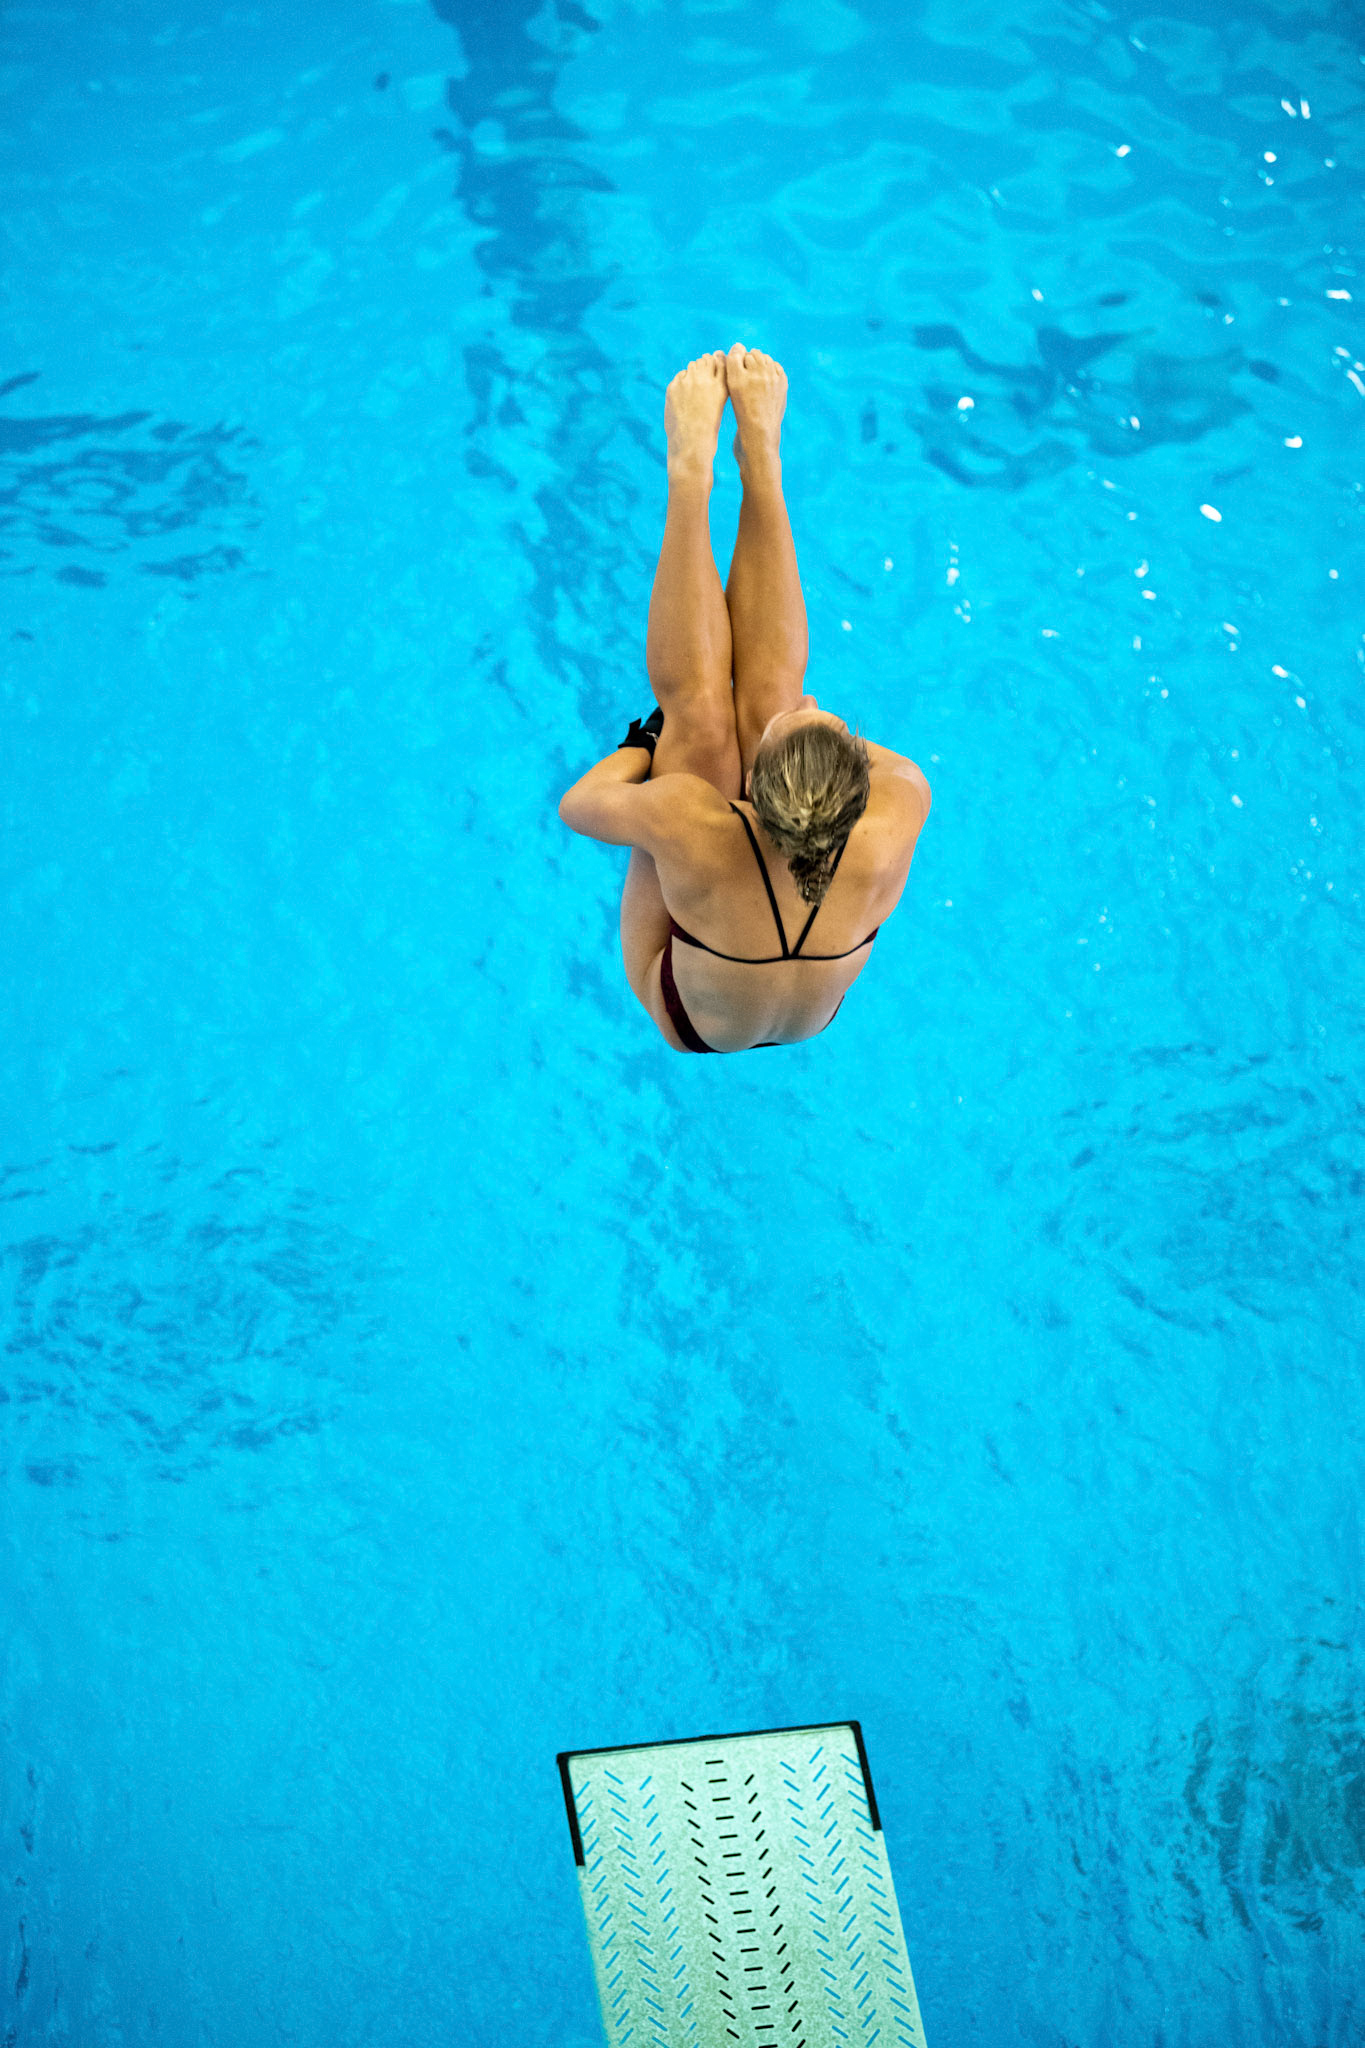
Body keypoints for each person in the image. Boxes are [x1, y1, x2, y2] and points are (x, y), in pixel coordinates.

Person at [559, 344, 931, 1054]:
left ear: (754, 792)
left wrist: (641, 745)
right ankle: (760, 458)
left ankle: (689, 477)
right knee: (771, 697)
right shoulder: (899, 800)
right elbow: (806, 732)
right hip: (797, 993)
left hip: (691, 1017)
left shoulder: (693, 826)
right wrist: (790, 721)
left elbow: (579, 807)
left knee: (695, 729)